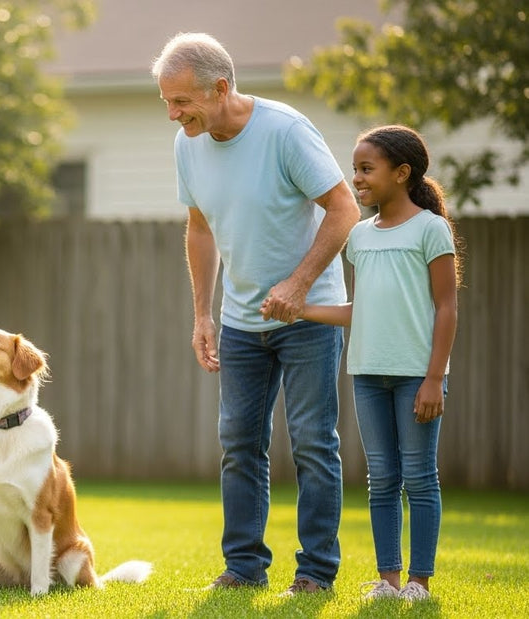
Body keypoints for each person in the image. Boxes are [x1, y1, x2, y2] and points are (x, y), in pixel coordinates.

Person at [151, 32, 361, 596]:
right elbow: (199, 228)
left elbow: (344, 208)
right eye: (166, 103)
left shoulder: (285, 132)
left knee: (314, 443)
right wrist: (201, 314)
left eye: (182, 102)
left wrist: (298, 284)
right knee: (239, 443)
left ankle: (316, 572)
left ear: (221, 87)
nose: (173, 115)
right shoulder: (188, 144)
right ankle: (243, 568)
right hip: (242, 322)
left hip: (308, 318)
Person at [294, 125, 459, 603]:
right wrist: (299, 307)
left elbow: (446, 306)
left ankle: (418, 583)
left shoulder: (432, 229)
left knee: (420, 477)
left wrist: (434, 378)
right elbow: (359, 310)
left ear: (402, 173)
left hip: (417, 378)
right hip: (367, 375)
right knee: (381, 478)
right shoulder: (360, 236)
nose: (357, 179)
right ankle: (387, 581)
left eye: (367, 169)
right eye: (355, 169)